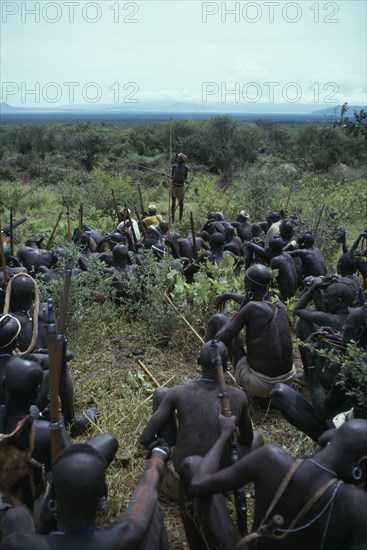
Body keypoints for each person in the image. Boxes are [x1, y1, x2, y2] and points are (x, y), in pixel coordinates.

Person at [140, 340, 262, 549]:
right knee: (258, 439)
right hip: (218, 483)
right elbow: (247, 441)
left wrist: (165, 450)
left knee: (162, 394)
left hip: (180, 484)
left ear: (198, 362)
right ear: (227, 366)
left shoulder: (179, 392)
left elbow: (145, 438)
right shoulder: (239, 396)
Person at [182, 416, 367, 550]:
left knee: (193, 464)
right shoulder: (357, 505)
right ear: (361, 464)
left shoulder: (271, 458)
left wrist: (224, 435)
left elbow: (198, 483)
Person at [0, 440, 169, 549]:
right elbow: (148, 486)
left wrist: (44, 525)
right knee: (151, 508)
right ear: (103, 496)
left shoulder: (18, 544)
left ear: (53, 498)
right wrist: (158, 453)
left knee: (16, 517)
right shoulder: (123, 536)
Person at [271, 305, 367, 442]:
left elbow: (322, 412)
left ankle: (329, 447)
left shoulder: (353, 371)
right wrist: (339, 340)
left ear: (359, 332)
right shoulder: (360, 361)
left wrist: (312, 366)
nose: (344, 328)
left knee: (279, 393)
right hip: (356, 418)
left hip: (353, 441)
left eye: (347, 324)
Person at [206, 264, 294, 400]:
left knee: (217, 320)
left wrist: (241, 306)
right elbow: (258, 303)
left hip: (263, 385)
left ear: (250, 286)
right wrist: (228, 295)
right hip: (287, 380)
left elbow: (221, 338)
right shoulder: (278, 303)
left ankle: (209, 379)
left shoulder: (252, 307)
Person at [171, 153, 189, 223]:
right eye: (178, 158)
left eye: (180, 159)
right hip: (174, 186)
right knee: (173, 203)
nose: (178, 160)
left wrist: (186, 181)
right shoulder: (174, 167)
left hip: (181, 186)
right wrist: (166, 175)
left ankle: (180, 220)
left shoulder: (186, 168)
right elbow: (172, 176)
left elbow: (185, 178)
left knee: (181, 203)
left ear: (182, 161)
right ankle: (172, 219)